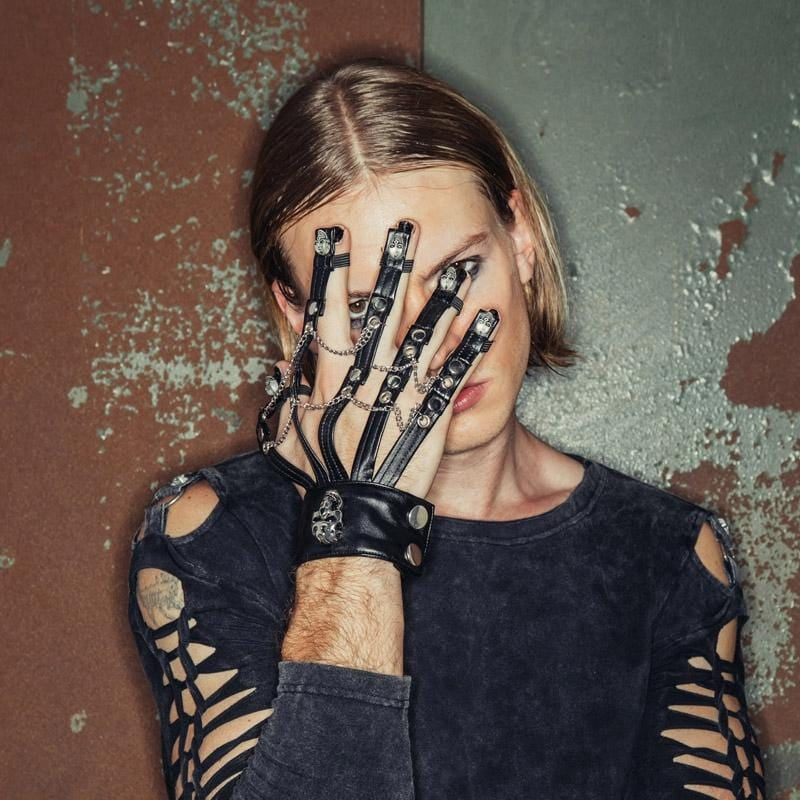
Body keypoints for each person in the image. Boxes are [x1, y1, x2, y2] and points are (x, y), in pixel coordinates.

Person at [128, 58, 766, 800]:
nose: (431, 345)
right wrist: (357, 531)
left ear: (519, 238)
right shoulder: (212, 538)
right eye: (366, 308)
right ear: (300, 315)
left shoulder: (665, 555)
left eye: (457, 272)